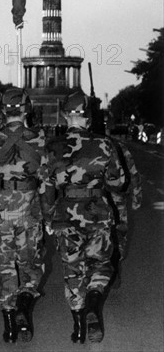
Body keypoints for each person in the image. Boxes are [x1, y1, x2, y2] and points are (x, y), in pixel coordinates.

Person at [42, 91, 126, 344]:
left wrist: (48, 217)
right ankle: (94, 301)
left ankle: (79, 326)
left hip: (65, 213)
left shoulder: (52, 147)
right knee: (101, 264)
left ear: (66, 115)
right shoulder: (105, 144)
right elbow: (119, 183)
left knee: (72, 270)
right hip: (97, 212)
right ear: (88, 117)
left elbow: (46, 187)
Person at [0, 87, 46, 343]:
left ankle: (9, 325)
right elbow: (46, 178)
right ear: (26, 109)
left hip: (0, 208)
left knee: (4, 265)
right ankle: (24, 304)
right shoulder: (39, 139)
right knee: (30, 263)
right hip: (29, 207)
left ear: (2, 110)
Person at [107, 138, 142, 288]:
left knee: (92, 238)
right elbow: (132, 173)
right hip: (116, 198)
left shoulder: (84, 143)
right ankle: (113, 270)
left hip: (89, 199)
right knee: (118, 236)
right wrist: (136, 198)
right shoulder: (118, 146)